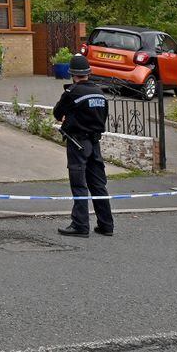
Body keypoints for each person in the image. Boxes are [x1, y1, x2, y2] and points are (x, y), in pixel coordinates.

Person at [52, 54, 114, 237]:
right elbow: (103, 117)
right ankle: (106, 225)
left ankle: (80, 225)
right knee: (98, 184)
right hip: (95, 143)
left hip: (78, 142)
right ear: (88, 72)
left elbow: (57, 113)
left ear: (72, 74)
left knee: (79, 184)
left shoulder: (72, 93)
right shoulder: (100, 93)